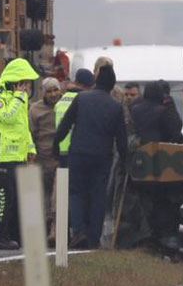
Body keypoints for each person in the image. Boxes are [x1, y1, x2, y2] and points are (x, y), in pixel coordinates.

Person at [53, 63, 128, 248]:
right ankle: (94, 237)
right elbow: (122, 139)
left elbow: (64, 125)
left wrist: (56, 146)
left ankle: (78, 231)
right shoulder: (116, 107)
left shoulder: (81, 100)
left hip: (78, 153)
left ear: (96, 81)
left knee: (76, 192)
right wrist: (125, 161)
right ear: (112, 85)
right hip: (102, 157)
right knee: (98, 196)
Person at [125, 79, 183, 249]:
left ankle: (147, 235)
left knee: (146, 200)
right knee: (167, 201)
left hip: (141, 163)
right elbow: (175, 129)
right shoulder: (163, 110)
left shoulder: (136, 110)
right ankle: (167, 236)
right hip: (163, 162)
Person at [0, 58, 40, 249]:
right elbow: (7, 117)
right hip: (0, 156)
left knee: (15, 198)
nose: (27, 87)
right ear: (17, 80)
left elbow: (22, 126)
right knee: (3, 198)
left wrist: (30, 148)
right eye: (24, 82)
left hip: (17, 156)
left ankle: (12, 234)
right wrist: (18, 97)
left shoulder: (18, 96)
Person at [29, 77, 64, 238]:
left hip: (61, 158)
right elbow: (31, 134)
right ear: (43, 93)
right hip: (42, 159)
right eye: (49, 91)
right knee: (44, 195)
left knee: (58, 195)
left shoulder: (66, 105)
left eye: (55, 90)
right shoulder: (35, 110)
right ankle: (43, 228)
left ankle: (55, 230)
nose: (53, 94)